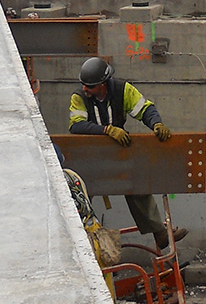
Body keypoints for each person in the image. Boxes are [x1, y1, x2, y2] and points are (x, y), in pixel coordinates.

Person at [68, 58, 188, 250]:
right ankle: (78, 241)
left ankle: (159, 233)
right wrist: (107, 130)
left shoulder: (123, 90)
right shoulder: (79, 97)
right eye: (84, 85)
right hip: (91, 157)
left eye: (89, 86)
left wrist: (156, 123)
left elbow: (145, 109)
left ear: (102, 84)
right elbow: (76, 126)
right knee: (82, 195)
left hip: (117, 154)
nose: (85, 89)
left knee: (136, 183)